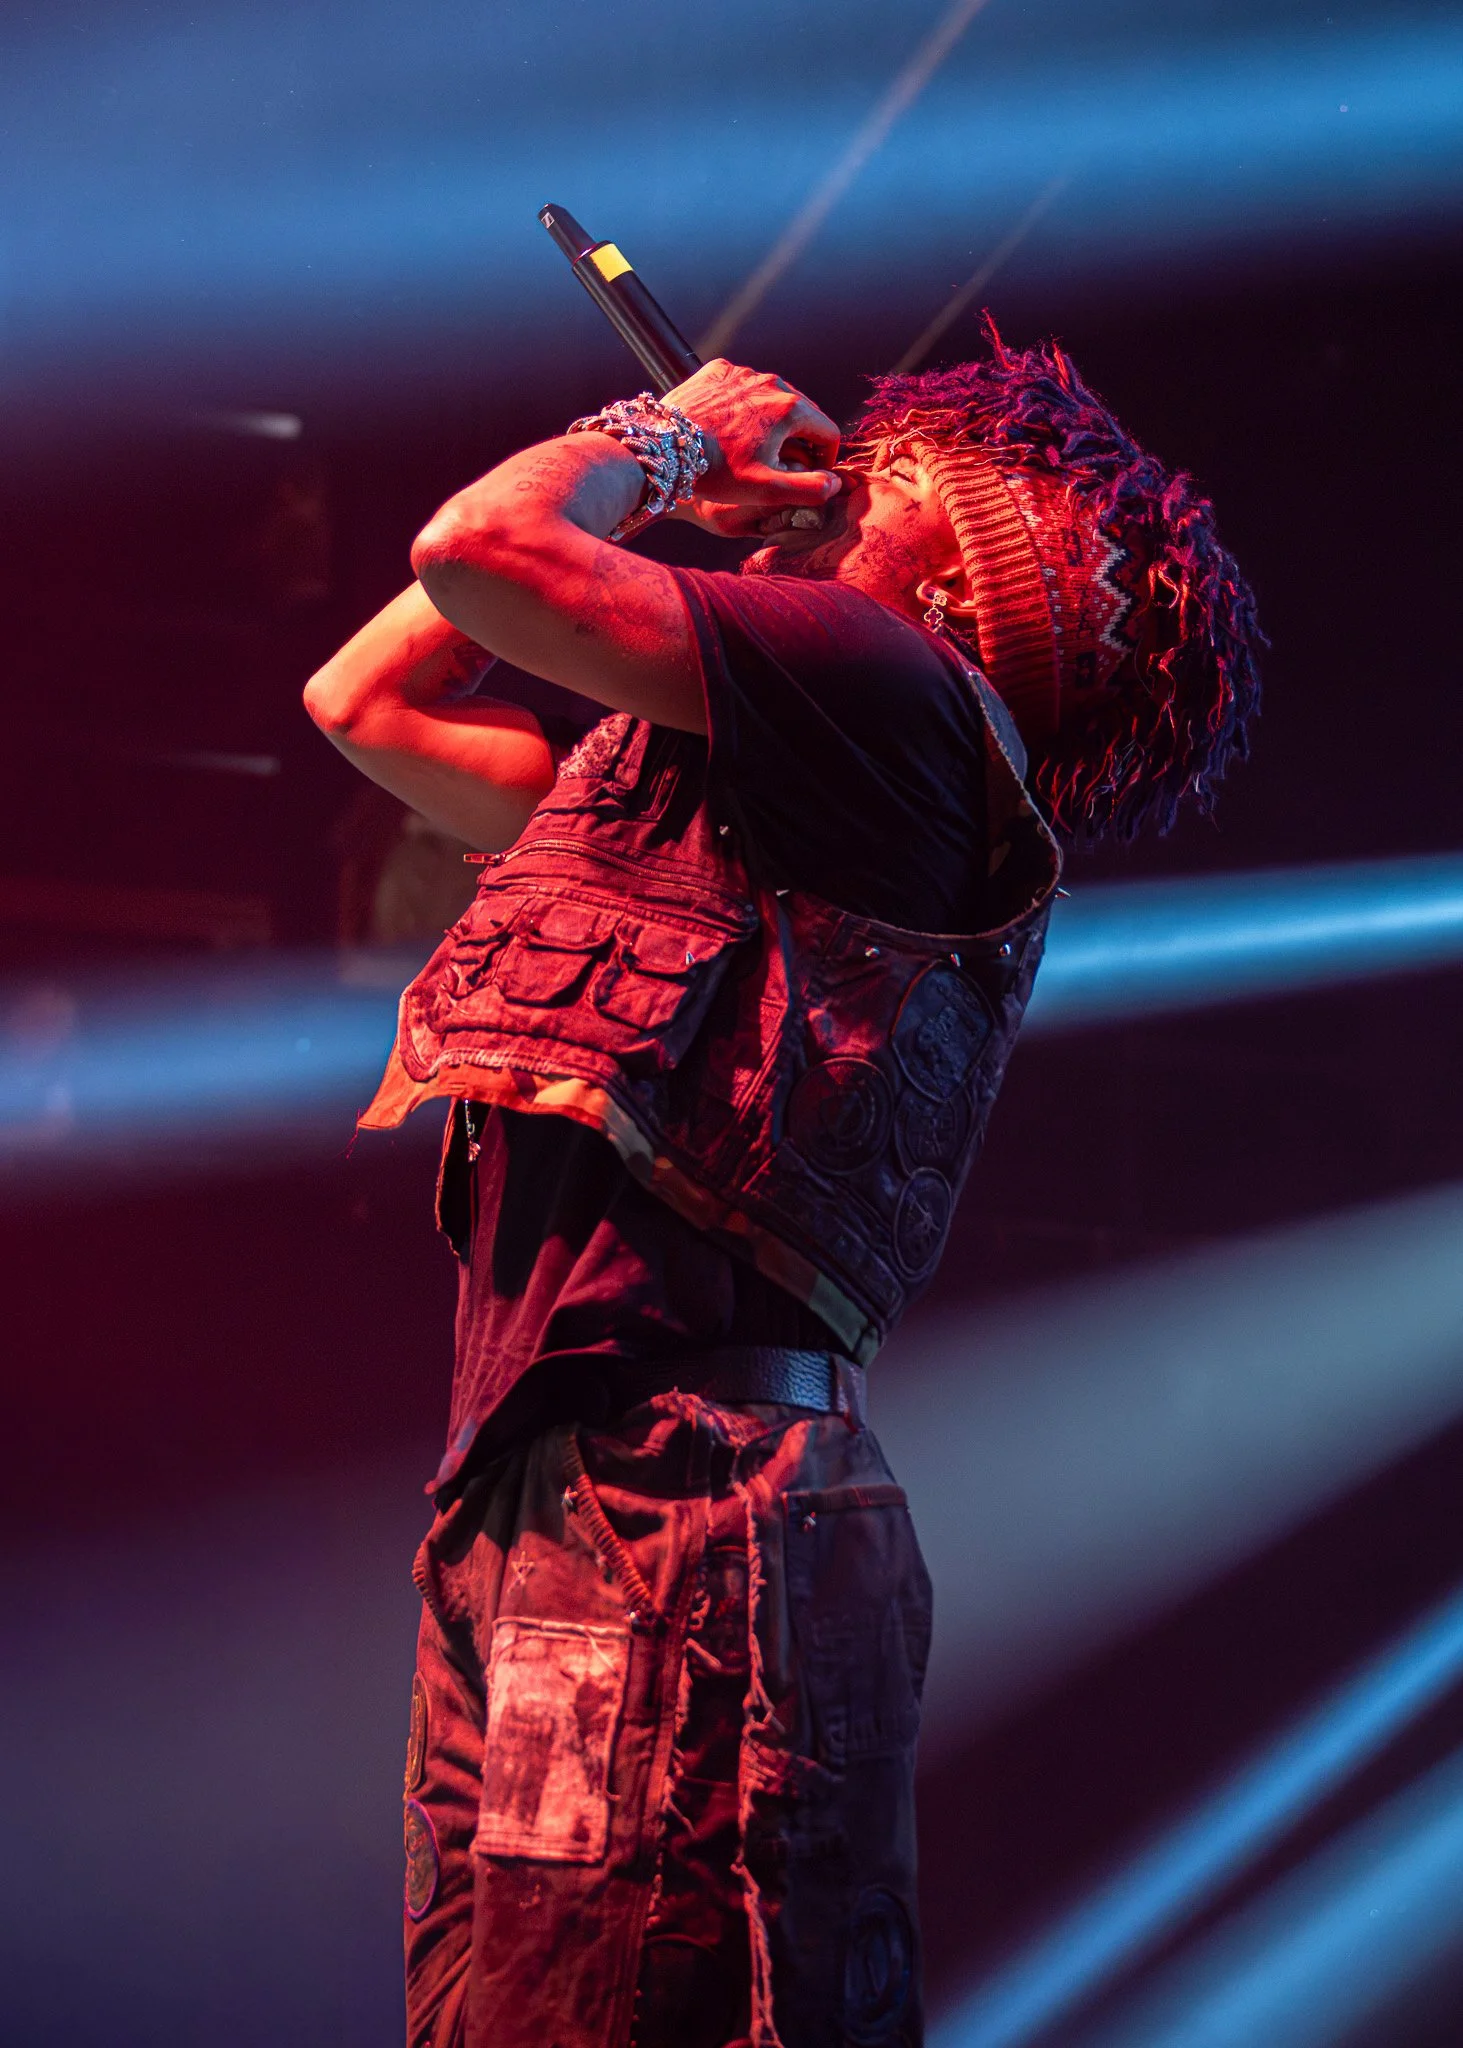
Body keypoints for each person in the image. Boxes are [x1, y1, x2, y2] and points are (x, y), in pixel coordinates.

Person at [303, 331, 1262, 2048]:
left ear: (958, 572)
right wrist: (671, 478)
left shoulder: (903, 689)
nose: (817, 503)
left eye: (872, 486)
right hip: (590, 1484)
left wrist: (660, 443)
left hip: (677, 1494)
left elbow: (483, 556)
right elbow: (367, 700)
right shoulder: (747, 799)